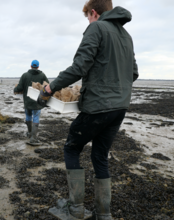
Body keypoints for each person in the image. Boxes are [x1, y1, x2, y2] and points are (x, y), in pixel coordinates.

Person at [39, 1, 139, 219]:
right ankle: (104, 214)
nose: (88, 20)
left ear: (93, 12)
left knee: (72, 148)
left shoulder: (97, 27)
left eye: (87, 17)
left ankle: (75, 209)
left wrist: (50, 87)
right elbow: (133, 73)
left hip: (98, 108)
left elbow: (79, 67)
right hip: (119, 107)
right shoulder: (126, 36)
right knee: (100, 156)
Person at [14, 60, 49, 146]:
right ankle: (33, 138)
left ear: (31, 66)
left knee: (28, 116)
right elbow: (48, 86)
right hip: (38, 102)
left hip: (27, 101)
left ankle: (29, 133)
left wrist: (15, 89)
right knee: (36, 117)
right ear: (38, 66)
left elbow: (19, 87)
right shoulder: (42, 75)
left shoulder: (25, 75)